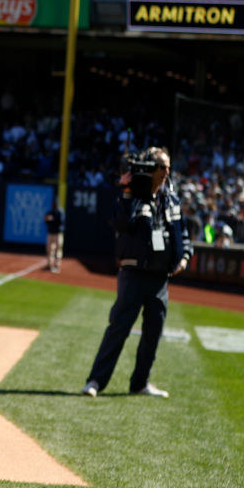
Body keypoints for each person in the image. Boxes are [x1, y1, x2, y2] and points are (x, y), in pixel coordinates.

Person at [82, 147, 192, 399]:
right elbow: (120, 223)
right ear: (150, 168)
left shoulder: (172, 199)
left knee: (153, 333)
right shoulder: (133, 196)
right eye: (161, 167)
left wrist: (184, 257)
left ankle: (140, 383)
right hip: (133, 273)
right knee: (118, 327)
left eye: (168, 167)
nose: (166, 172)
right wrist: (127, 190)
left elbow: (183, 234)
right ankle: (95, 381)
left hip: (160, 278)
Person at [44, 202, 64, 273]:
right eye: (53, 204)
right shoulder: (50, 212)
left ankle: (57, 266)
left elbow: (61, 222)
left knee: (57, 249)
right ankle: (49, 265)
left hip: (57, 233)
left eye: (55, 204)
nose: (54, 205)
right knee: (50, 249)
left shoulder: (60, 212)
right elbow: (46, 221)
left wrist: (53, 219)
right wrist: (47, 219)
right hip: (50, 233)